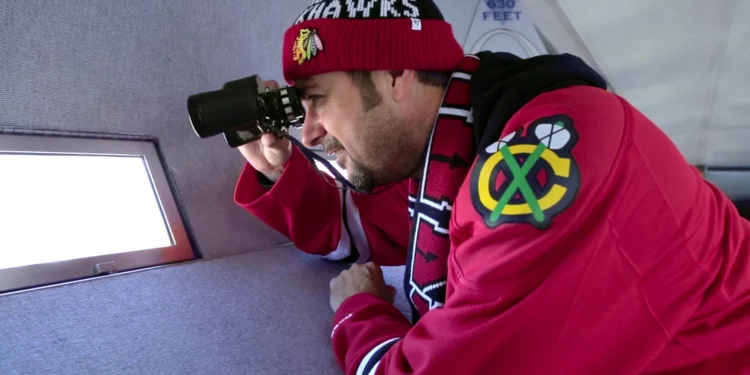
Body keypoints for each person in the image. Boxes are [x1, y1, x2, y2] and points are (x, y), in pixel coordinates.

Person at [233, 1, 750, 374]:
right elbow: (368, 229)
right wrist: (280, 170)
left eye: (317, 99)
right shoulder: (459, 141)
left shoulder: (537, 167)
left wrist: (359, 311)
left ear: (395, 74)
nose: (310, 131)